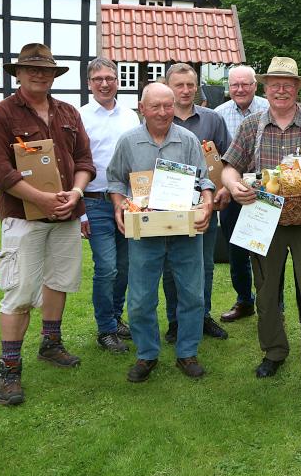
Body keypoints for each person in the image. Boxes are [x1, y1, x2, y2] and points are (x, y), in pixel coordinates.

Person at [0, 43, 95, 405]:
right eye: (31, 69)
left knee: (59, 281)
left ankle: (51, 343)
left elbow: (84, 161)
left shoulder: (67, 112)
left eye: (45, 69)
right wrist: (41, 198)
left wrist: (75, 195)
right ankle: (9, 369)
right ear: (18, 73)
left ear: (54, 74)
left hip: (66, 214)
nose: (39, 74)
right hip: (23, 218)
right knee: (19, 290)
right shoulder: (1, 115)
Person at [221, 57, 301, 393]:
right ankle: (274, 351)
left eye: (288, 84)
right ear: (266, 88)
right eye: (275, 84)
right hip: (264, 221)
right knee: (266, 290)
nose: (281, 89)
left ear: (297, 89)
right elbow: (229, 167)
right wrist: (233, 186)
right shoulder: (251, 126)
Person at [107, 83, 214, 382]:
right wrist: (119, 206)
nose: (164, 112)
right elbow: (115, 181)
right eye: (156, 106)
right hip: (145, 232)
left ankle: (187, 352)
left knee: (192, 295)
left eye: (168, 106)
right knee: (141, 299)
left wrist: (206, 206)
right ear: (142, 109)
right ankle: (146, 354)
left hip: (185, 230)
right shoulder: (128, 142)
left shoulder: (188, 139)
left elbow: (205, 180)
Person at [161, 63, 231, 342]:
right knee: (171, 265)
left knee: (204, 264)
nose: (186, 90)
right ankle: (175, 320)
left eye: (191, 85)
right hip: (169, 206)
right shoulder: (159, 118)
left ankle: (202, 316)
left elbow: (228, 158)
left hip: (205, 203)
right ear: (169, 88)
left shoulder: (212, 119)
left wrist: (224, 187)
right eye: (180, 85)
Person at [79, 57, 139, 353]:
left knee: (125, 266)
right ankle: (105, 329)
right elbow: (71, 164)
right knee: (106, 268)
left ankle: (116, 319)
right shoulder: (80, 117)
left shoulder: (130, 116)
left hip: (127, 202)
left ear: (117, 81)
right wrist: (79, 213)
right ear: (89, 83)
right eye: (98, 79)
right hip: (94, 202)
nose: (105, 83)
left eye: (110, 78)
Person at [214, 65, 268, 322]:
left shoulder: (269, 109)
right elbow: (218, 160)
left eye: (245, 84)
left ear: (255, 85)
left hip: (266, 192)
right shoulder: (219, 115)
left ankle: (273, 303)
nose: (239, 89)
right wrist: (226, 187)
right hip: (231, 192)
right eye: (234, 85)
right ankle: (244, 300)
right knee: (236, 250)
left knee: (267, 249)